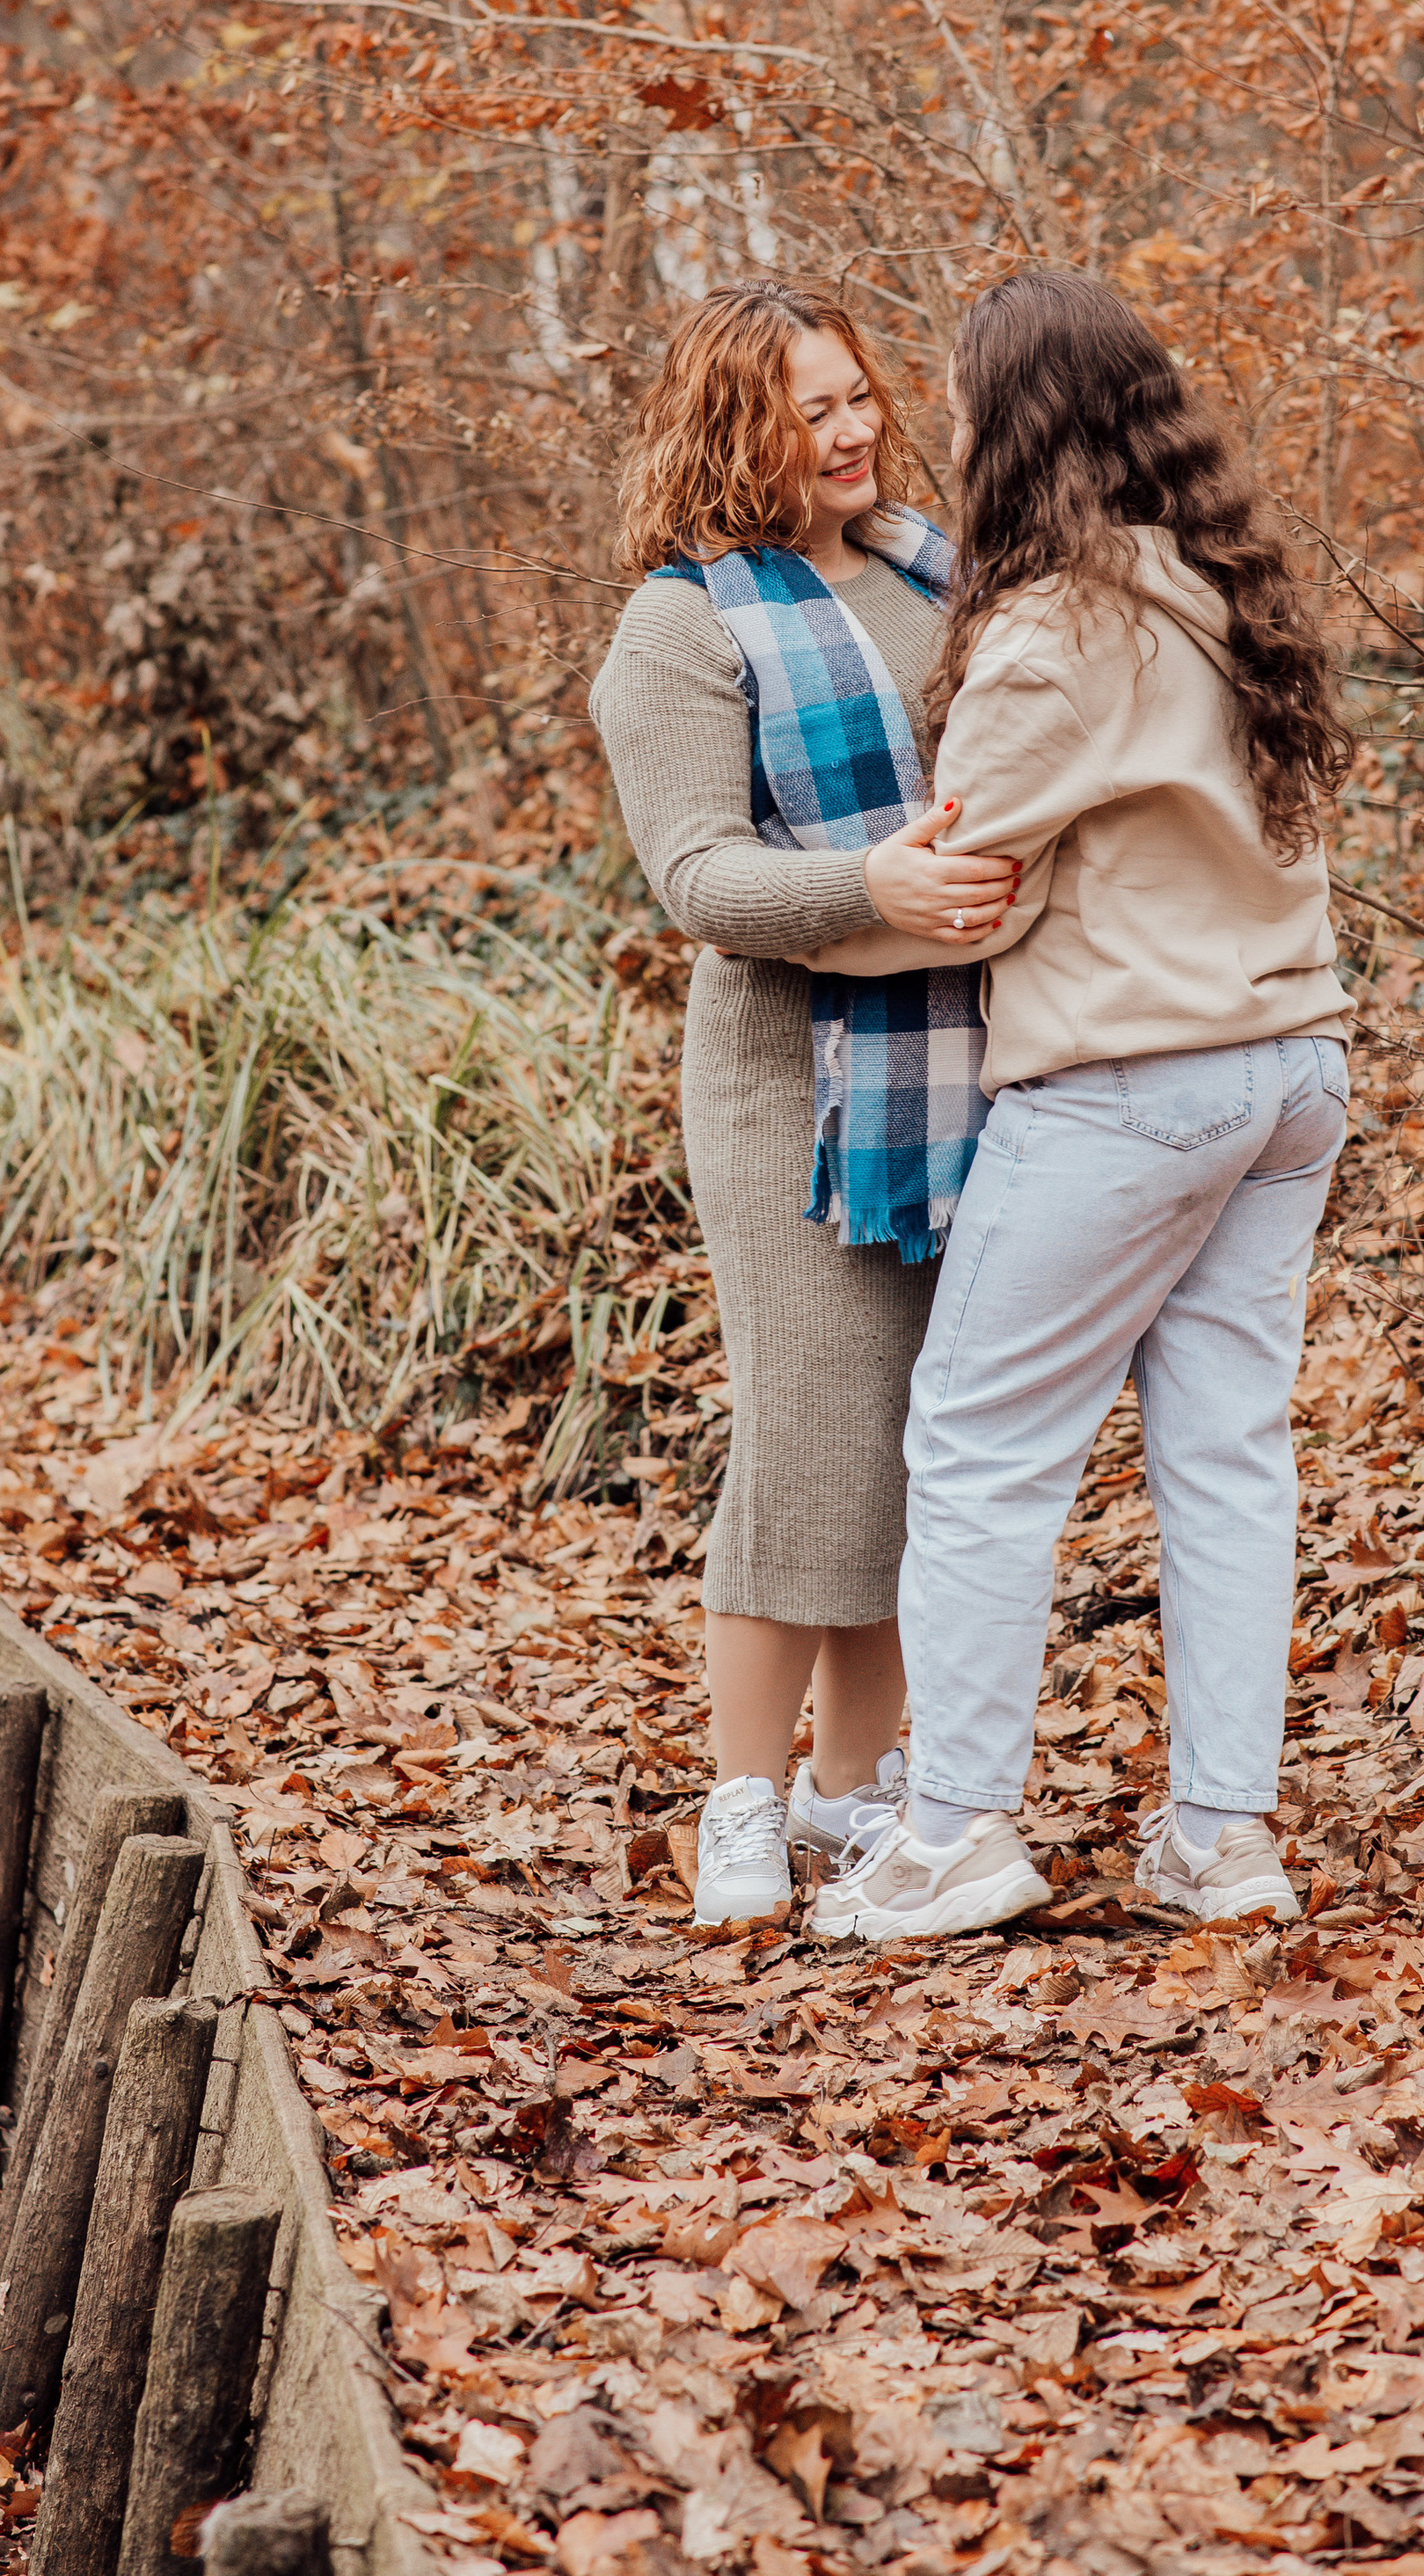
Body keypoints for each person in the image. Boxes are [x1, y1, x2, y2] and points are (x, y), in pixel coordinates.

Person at [802, 265, 1356, 1945]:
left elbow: (970, 891)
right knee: (1227, 1458)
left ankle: (956, 1832)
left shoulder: (1051, 635)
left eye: (961, 403)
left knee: (979, 1447)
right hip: (1289, 1072)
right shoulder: (1223, 582)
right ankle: (1222, 1840)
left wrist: (816, 910)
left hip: (1131, 1083)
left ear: (1014, 425)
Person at [590, 283, 1019, 1926]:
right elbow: (699, 878)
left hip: (964, 1054)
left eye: (857, 396)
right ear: (730, 430)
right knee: (806, 1438)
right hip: (793, 1081)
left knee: (917, 1445)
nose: (851, 431)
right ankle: (742, 1801)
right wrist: (875, 883)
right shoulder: (682, 627)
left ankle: (853, 1787)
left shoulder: (931, 569)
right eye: (808, 410)